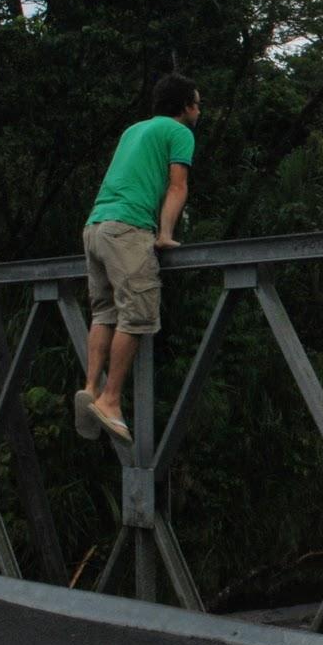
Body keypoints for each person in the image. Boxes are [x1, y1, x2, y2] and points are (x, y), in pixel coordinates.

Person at [76, 74, 200, 442]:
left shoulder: (133, 130)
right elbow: (177, 186)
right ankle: (111, 400)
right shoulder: (180, 133)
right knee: (139, 313)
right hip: (128, 228)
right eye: (197, 103)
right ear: (185, 107)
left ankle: (90, 387)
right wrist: (164, 234)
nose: (199, 109)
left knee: (104, 311)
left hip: (96, 227)